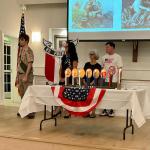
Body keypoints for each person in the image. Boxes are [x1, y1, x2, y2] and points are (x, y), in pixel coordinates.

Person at [54, 41, 78, 118]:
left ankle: (68, 111)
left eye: (66, 47)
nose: (65, 48)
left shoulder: (74, 56)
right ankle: (59, 109)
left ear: (70, 47)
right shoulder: (64, 56)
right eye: (65, 47)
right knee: (60, 94)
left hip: (70, 79)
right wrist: (61, 77)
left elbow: (74, 68)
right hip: (62, 78)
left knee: (68, 95)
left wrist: (67, 78)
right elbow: (61, 68)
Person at [100, 41, 123, 117]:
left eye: (108, 47)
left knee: (112, 95)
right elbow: (102, 69)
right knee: (105, 95)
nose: (106, 48)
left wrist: (119, 81)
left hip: (114, 80)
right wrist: (101, 79)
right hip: (105, 80)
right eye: (105, 47)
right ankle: (105, 109)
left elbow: (120, 69)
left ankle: (112, 110)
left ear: (113, 48)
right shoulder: (103, 57)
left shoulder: (118, 57)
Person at [15, 33, 35, 119]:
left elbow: (30, 64)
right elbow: (19, 64)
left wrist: (26, 76)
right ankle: (23, 110)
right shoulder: (21, 50)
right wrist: (17, 76)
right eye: (19, 39)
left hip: (26, 75)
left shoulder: (29, 50)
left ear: (26, 41)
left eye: (21, 39)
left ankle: (31, 112)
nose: (19, 41)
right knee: (22, 93)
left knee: (28, 94)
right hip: (20, 75)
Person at [83, 50, 102, 118]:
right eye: (90, 54)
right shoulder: (86, 64)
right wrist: (84, 81)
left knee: (93, 98)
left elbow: (98, 75)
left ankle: (93, 113)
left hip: (94, 84)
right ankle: (86, 112)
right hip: (86, 84)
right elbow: (83, 73)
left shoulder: (98, 65)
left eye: (92, 54)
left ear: (95, 56)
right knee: (86, 98)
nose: (90, 56)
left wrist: (91, 83)